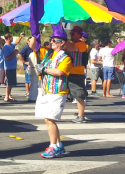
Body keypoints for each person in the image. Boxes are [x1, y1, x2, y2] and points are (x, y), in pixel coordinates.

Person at [35, 28, 73, 158]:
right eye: (51, 40)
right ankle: (57, 145)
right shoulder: (49, 54)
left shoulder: (66, 57)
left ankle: (53, 146)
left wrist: (45, 69)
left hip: (57, 92)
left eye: (54, 41)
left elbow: (60, 72)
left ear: (61, 42)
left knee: (50, 119)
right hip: (46, 90)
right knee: (47, 119)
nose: (51, 42)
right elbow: (33, 47)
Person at [64, 26, 89, 123]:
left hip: (77, 73)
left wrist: (64, 38)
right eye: (71, 33)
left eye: (73, 33)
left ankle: (81, 116)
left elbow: (71, 48)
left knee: (79, 95)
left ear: (79, 35)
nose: (71, 35)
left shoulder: (82, 44)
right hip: (68, 72)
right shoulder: (73, 44)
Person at [3, 33, 19, 102]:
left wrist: (21, 37)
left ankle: (9, 95)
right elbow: (6, 57)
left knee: (11, 83)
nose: (12, 38)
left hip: (12, 66)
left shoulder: (11, 45)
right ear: (9, 38)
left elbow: (16, 42)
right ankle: (6, 96)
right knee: (9, 83)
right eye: (12, 37)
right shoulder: (6, 47)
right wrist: (14, 54)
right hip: (8, 67)